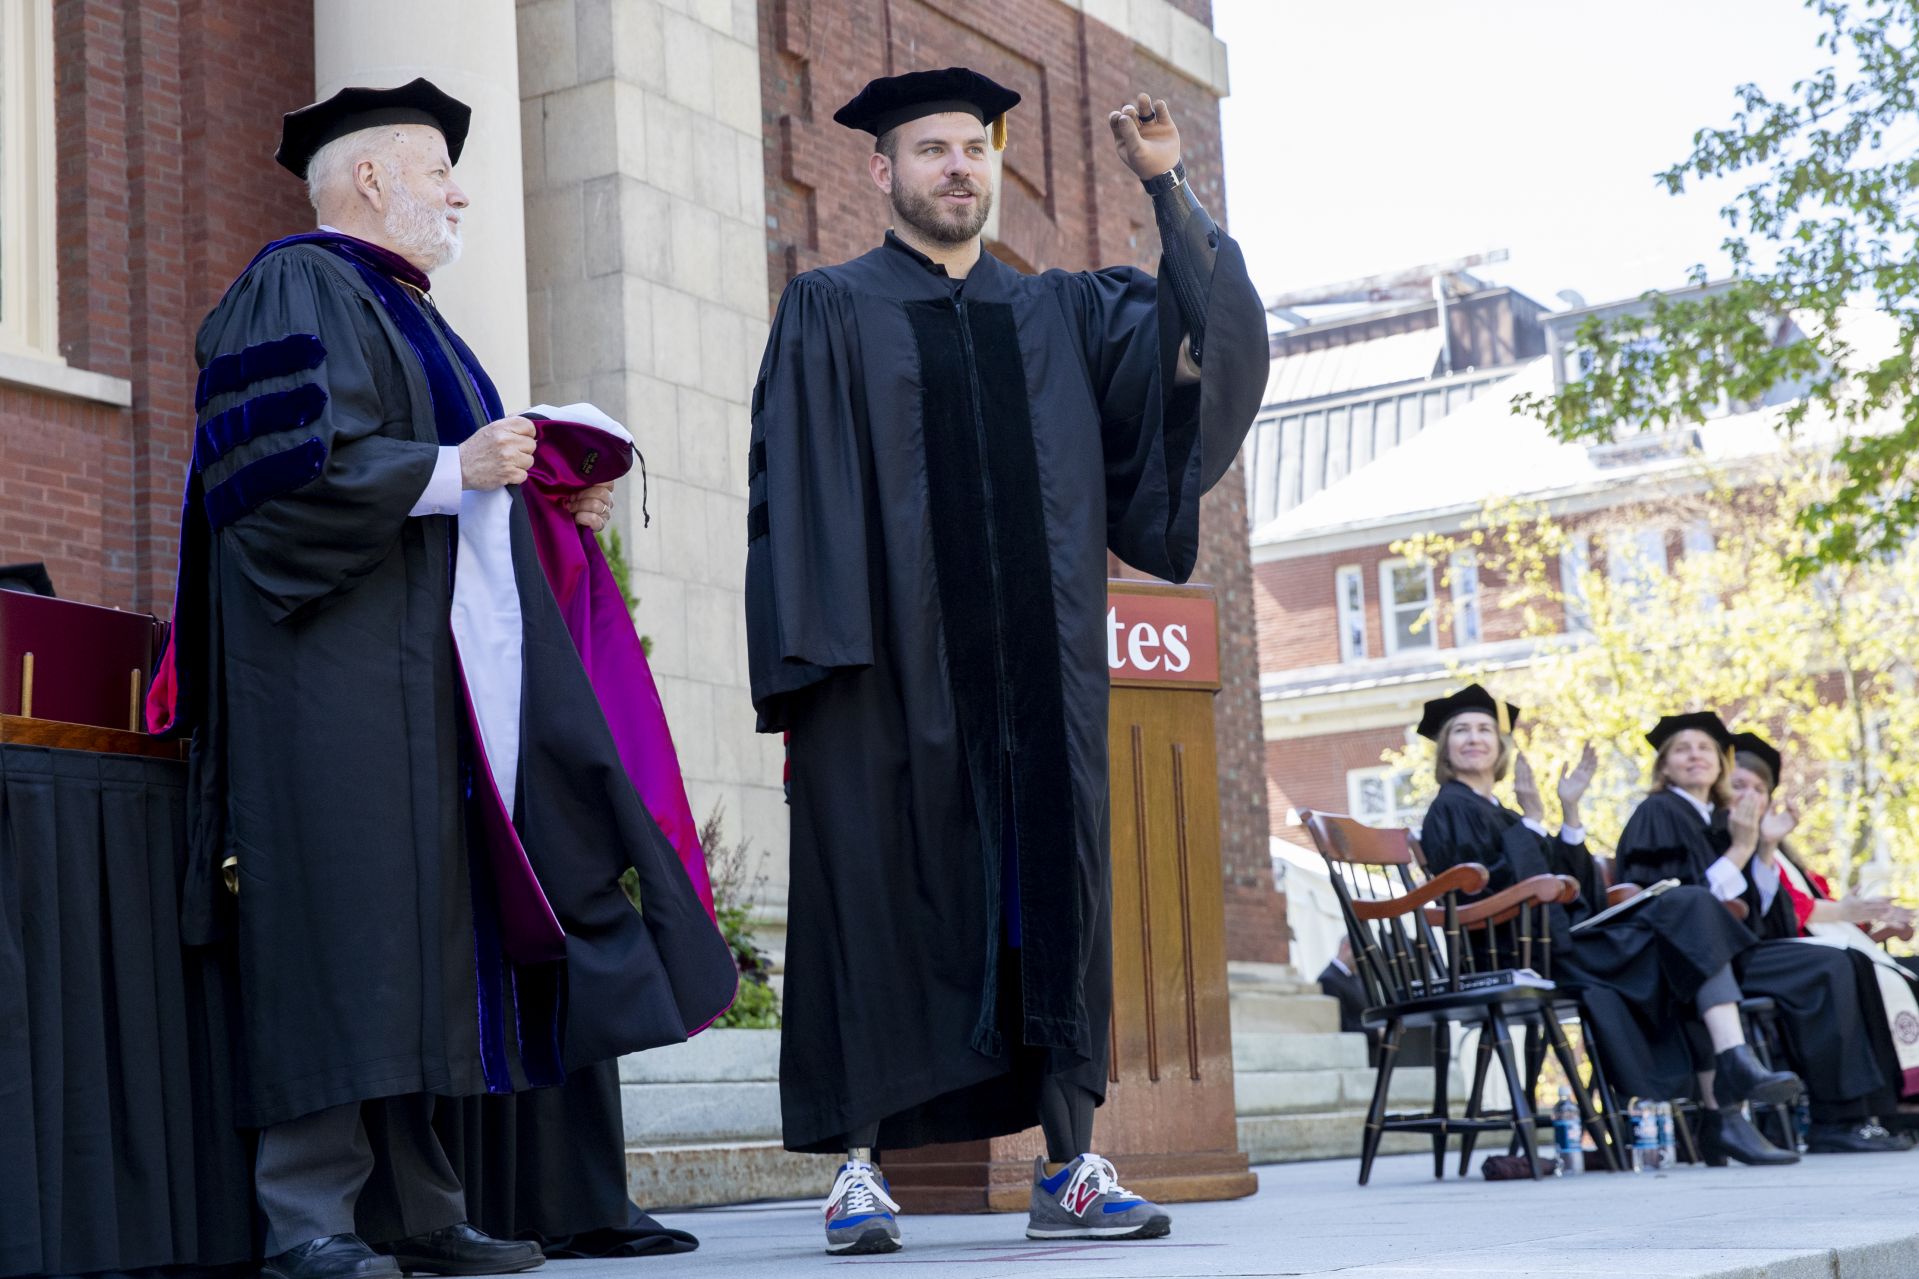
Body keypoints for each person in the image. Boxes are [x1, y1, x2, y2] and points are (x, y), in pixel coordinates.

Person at [149, 81, 737, 1279]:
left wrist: (536, 492)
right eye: (437, 169)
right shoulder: (296, 284)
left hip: (422, 696)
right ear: (370, 180)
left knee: (416, 948)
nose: (459, 190)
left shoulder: (412, 315)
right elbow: (272, 488)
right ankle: (309, 1221)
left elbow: (449, 496)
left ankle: (420, 1210)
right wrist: (455, 462)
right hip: (329, 691)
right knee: (338, 940)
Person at [744, 67, 1266, 1254]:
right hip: (882, 678)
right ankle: (857, 1167)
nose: (957, 169)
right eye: (929, 151)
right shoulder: (827, 308)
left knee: (1052, 905)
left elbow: (1199, 357)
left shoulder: (1062, 314)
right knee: (875, 897)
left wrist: (1164, 188)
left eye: (972, 149)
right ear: (880, 172)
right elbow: (792, 495)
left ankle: (1069, 1162)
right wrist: (806, 679)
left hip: (1041, 682)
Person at [1411, 687, 1797, 1167]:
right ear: (1445, 749)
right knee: (1689, 918)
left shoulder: (1502, 812)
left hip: (1556, 938)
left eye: (1485, 730)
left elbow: (1572, 885)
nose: (1474, 739)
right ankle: (1726, 1091)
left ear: (1502, 747)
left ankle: (1725, 1109)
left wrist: (1569, 814)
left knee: (1687, 945)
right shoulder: (1452, 807)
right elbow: (1486, 888)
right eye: (1462, 732)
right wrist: (1533, 822)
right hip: (1515, 949)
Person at [1615, 713, 1906, 1157]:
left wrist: (1764, 848)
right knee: (1826, 964)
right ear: (1663, 767)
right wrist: (1742, 848)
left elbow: (1765, 918)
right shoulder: (1657, 812)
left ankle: (1846, 1118)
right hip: (1682, 961)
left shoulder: (1720, 818)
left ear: (1721, 765)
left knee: (1839, 960)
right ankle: (1804, 1105)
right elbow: (1685, 909)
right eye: (1681, 749)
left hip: (1732, 953)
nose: (1695, 755)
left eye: (1705, 749)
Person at [1727, 731, 1917, 1150]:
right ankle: (1846, 1117)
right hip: (1747, 957)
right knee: (1840, 966)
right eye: (1738, 785)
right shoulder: (1721, 839)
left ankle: (1902, 1102)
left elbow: (1816, 913)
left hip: (1803, 948)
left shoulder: (1780, 853)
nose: (1749, 796)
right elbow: (1781, 916)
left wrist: (1877, 924)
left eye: (1759, 789)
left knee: (1907, 967)